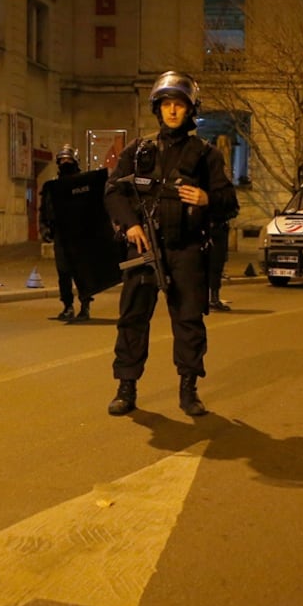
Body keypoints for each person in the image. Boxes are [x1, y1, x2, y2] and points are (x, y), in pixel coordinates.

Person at [103, 70, 238, 416]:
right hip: (144, 248)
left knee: (189, 321)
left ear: (190, 110)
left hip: (186, 249)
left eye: (179, 105)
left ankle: (189, 389)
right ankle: (126, 387)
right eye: (167, 105)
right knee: (132, 318)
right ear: (158, 109)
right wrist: (130, 224)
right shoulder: (139, 150)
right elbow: (115, 190)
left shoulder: (205, 155)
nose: (173, 111)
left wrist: (207, 198)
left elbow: (229, 203)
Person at [39, 144, 93, 321]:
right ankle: (68, 305)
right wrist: (45, 228)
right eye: (62, 160)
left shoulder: (83, 183)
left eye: (68, 160)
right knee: (63, 272)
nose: (65, 163)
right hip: (61, 234)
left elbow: (92, 209)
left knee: (82, 271)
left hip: (80, 234)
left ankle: (85, 305)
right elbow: (45, 209)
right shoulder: (52, 186)